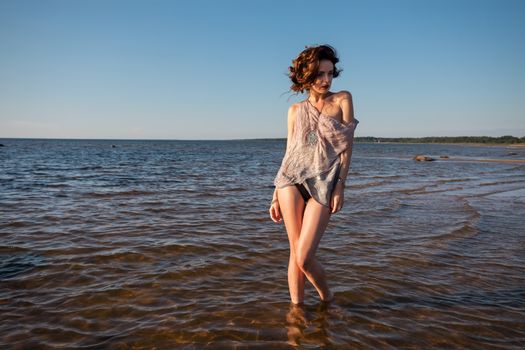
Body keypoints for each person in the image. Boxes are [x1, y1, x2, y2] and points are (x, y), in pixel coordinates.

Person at [269, 44, 358, 304]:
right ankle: (296, 315)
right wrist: (275, 195)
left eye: (330, 73)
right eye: (320, 74)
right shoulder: (295, 111)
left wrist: (340, 186)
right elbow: (289, 152)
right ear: (307, 74)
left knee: (305, 256)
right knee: (294, 251)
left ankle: (327, 298)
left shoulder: (342, 99)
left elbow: (347, 147)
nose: (326, 80)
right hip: (290, 181)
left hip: (324, 182)